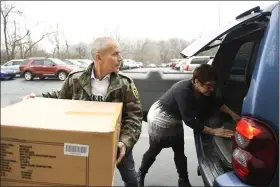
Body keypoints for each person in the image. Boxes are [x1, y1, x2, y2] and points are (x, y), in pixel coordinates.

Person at [23, 37, 143, 187]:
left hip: (117, 145)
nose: (121, 58)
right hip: (87, 143)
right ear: (99, 57)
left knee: (131, 180)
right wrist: (38, 97)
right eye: (115, 54)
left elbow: (134, 117)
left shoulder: (125, 83)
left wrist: (124, 142)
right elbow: (61, 97)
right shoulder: (76, 79)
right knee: (87, 178)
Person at [137, 64, 240, 187]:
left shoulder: (205, 91)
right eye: (209, 86)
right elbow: (190, 121)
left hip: (176, 118)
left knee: (179, 149)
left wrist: (233, 114)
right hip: (160, 117)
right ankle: (140, 174)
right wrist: (214, 131)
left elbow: (216, 102)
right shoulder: (184, 90)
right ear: (197, 81)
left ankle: (183, 180)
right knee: (155, 148)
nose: (212, 89)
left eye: (213, 86)